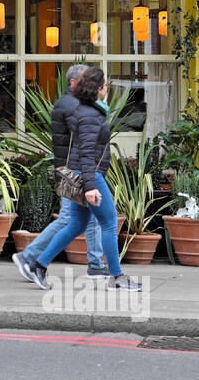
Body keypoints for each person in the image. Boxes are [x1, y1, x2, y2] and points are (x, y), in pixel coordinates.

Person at [15, 67, 142, 291]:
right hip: (89, 175)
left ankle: (38, 265)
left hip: (82, 174)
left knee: (76, 224)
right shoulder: (90, 115)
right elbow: (86, 152)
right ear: (99, 88)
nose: (107, 89)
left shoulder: (87, 110)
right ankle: (117, 278)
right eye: (106, 85)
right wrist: (90, 187)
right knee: (109, 223)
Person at [13, 64, 108, 277]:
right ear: (74, 83)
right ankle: (28, 257)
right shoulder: (72, 106)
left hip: (78, 169)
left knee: (93, 216)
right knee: (68, 219)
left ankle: (95, 263)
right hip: (74, 170)